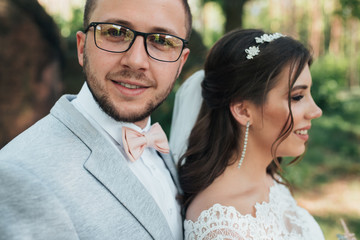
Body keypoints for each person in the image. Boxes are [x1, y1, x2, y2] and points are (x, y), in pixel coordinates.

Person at [0, 0, 191, 239]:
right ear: (82, 48)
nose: (136, 61)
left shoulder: (169, 155)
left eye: (162, 41)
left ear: (180, 63)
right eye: (115, 32)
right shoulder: (21, 175)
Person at [171, 29, 325, 239]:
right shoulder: (222, 227)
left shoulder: (270, 179)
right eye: (297, 97)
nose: (316, 111)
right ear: (243, 111)